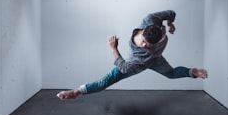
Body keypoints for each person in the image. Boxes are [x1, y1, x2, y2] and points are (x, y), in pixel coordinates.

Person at [57, 10, 208, 100]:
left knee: (107, 81)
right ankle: (76, 92)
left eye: (148, 45)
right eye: (144, 41)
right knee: (172, 73)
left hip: (145, 62)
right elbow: (171, 13)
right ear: (147, 29)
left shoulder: (140, 56)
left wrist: (113, 48)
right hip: (154, 56)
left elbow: (123, 67)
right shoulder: (151, 19)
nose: (143, 45)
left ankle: (192, 72)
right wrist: (169, 23)